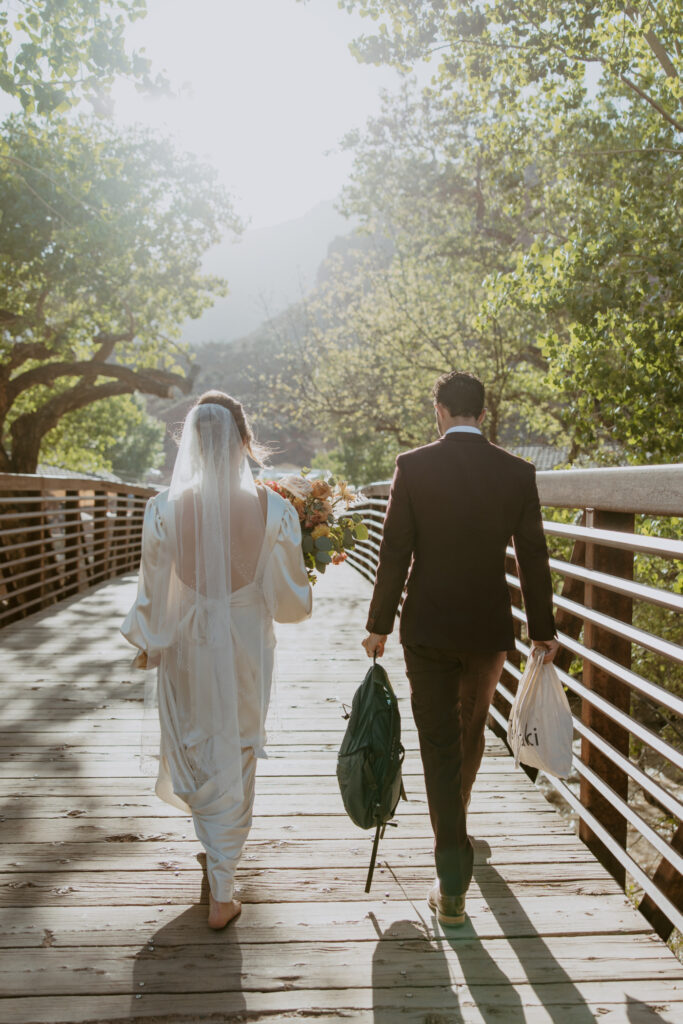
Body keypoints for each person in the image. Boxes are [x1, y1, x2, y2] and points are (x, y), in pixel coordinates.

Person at [361, 371, 558, 926]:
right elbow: (534, 554)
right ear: (482, 413)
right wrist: (543, 627)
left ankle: (452, 875)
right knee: (470, 730)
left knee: (439, 743)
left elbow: (396, 549)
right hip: (486, 627)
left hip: (426, 628)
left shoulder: (414, 465)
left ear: (440, 410)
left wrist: (378, 624)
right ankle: (458, 828)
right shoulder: (516, 472)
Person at [121, 391, 312, 929]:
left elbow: (153, 591)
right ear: (244, 441)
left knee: (196, 739)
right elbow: (290, 599)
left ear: (194, 444)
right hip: (247, 638)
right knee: (242, 743)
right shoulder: (275, 509)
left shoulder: (163, 508)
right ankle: (223, 888)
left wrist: (150, 641)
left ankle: (214, 846)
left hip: (186, 639)